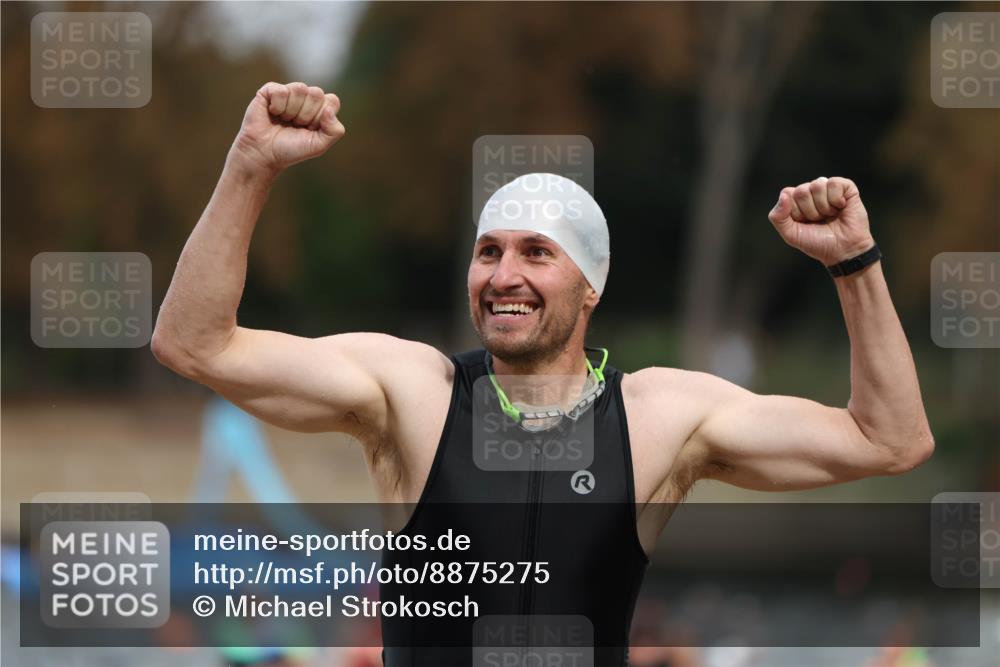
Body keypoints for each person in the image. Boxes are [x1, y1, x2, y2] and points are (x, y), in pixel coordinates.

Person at [151, 82, 935, 666]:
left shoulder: (660, 418)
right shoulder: (411, 393)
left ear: (589, 284)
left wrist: (855, 265)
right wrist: (250, 165)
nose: (504, 274)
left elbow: (890, 438)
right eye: (489, 250)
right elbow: (194, 343)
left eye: (536, 252)